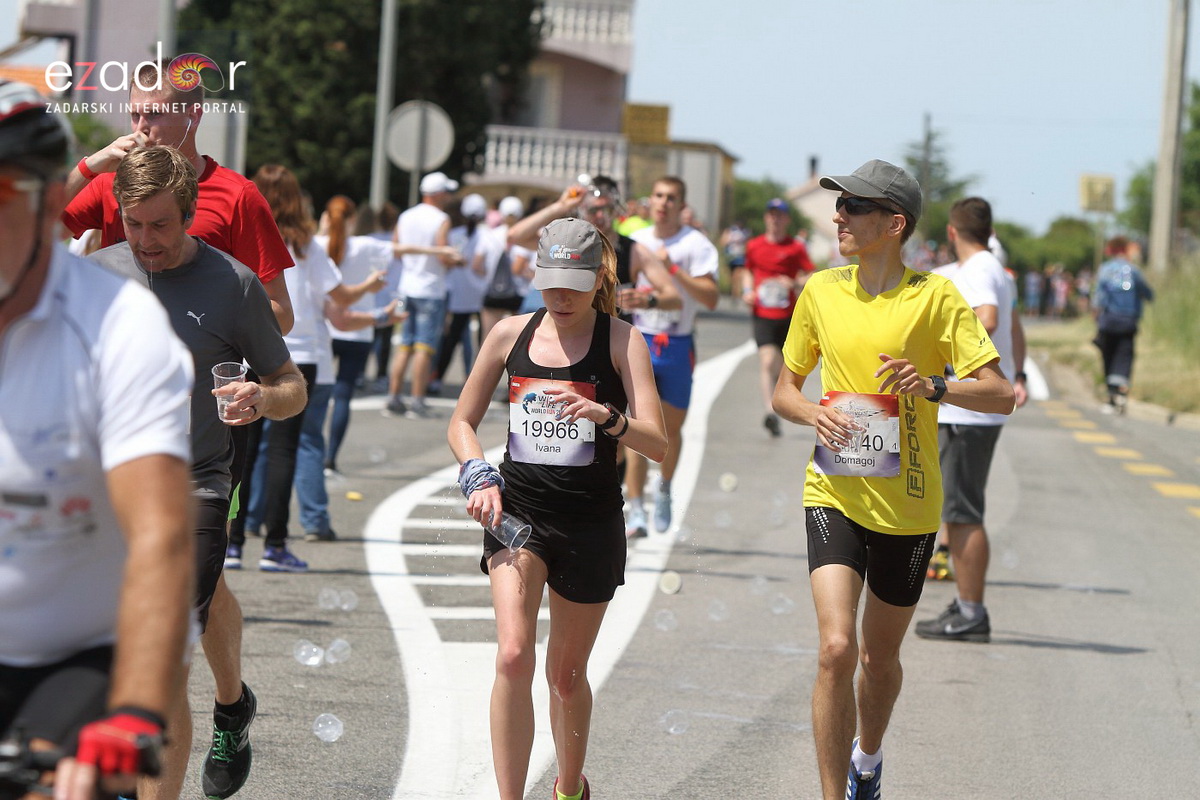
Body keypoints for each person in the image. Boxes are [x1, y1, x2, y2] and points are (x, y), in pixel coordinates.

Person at [770, 159, 1013, 800]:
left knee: (878, 660)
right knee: (834, 648)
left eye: (853, 207)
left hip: (907, 504)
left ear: (893, 223)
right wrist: (814, 413)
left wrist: (934, 384)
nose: (838, 217)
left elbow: (998, 392)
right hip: (834, 492)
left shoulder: (934, 299)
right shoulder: (821, 291)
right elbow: (783, 392)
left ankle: (868, 762)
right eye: (840, 206)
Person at [90, 145, 309, 800]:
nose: (146, 240)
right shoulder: (96, 277)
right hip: (106, 489)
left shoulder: (234, 284)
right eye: (133, 224)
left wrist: (262, 399)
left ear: (188, 215)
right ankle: (233, 707)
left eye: (161, 225)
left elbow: (290, 385)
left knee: (162, 663)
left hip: (195, 486)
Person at [0, 81, 194, 800]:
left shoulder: (120, 326)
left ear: (51, 206)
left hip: (80, 654)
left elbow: (161, 536)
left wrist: (135, 712)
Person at [448, 218, 667, 800]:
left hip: (590, 521)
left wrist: (608, 419)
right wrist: (476, 474)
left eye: (573, 282)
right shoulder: (508, 334)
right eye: (550, 282)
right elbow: (461, 421)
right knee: (514, 655)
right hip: (517, 514)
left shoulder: (622, 341)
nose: (561, 296)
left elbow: (659, 442)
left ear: (599, 278)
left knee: (566, 678)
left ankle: (570, 788)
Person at [237, 165, 400, 562]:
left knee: (243, 451)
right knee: (284, 451)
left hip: (248, 349)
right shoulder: (308, 245)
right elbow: (340, 298)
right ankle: (275, 545)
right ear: (297, 198)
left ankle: (234, 544)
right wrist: (372, 289)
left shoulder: (241, 234)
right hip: (301, 353)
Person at [61, 58, 293, 333]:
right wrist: (90, 166)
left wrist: (203, 315)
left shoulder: (238, 195)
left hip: (199, 371)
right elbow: (34, 228)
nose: (140, 129)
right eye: (135, 115)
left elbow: (282, 312)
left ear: (193, 116)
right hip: (119, 362)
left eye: (155, 114)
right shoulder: (108, 182)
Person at [914, 197, 1028, 642]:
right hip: (969, 410)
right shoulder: (992, 267)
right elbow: (1013, 327)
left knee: (962, 513)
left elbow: (989, 317)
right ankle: (964, 605)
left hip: (967, 411)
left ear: (952, 231)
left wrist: (948, 353)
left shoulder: (978, 268)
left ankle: (972, 613)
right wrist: (1017, 371)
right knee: (959, 510)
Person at [625, 176, 720, 535]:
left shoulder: (695, 244)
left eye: (672, 198)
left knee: (671, 431)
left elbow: (710, 298)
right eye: (659, 195)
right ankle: (635, 509)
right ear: (650, 200)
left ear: (682, 206)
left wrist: (673, 268)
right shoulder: (637, 241)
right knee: (636, 427)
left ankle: (663, 489)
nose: (664, 203)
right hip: (639, 340)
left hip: (678, 344)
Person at [315, 196, 395, 476]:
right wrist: (439, 251)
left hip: (326, 327)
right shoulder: (367, 244)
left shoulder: (317, 245)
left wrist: (324, 231)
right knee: (343, 395)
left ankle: (310, 452)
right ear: (352, 219)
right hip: (358, 329)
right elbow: (401, 248)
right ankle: (330, 457)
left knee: (315, 394)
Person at [732, 197, 815, 438]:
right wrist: (748, 291)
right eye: (771, 214)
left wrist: (794, 281)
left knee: (781, 364)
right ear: (766, 218)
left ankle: (780, 400)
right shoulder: (755, 245)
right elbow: (748, 271)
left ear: (787, 219)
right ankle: (770, 412)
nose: (775, 219)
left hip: (789, 314)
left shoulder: (795, 247)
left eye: (780, 215)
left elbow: (811, 274)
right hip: (763, 313)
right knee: (767, 360)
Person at [386, 171, 465, 418]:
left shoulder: (406, 215)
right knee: (424, 347)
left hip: (405, 287)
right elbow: (443, 253)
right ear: (439, 194)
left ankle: (394, 396)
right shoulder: (441, 218)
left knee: (404, 345)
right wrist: (454, 259)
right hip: (430, 289)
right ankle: (417, 400)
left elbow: (396, 250)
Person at [431, 193, 491, 393]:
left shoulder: (454, 234)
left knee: (451, 340)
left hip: (458, 295)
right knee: (483, 345)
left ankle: (437, 378)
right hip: (483, 295)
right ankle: (478, 385)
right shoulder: (488, 234)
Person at [1092, 236, 1153, 413]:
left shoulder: (1105, 269)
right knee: (1125, 355)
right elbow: (1147, 293)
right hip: (1128, 320)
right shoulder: (1134, 271)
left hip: (1109, 319)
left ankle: (1111, 395)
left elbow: (1099, 297)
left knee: (1108, 355)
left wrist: (1096, 315)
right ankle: (1122, 392)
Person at [479, 196, 530, 341]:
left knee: (488, 337)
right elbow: (517, 269)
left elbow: (477, 264)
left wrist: (489, 274)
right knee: (516, 339)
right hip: (517, 293)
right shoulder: (524, 237)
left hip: (492, 292)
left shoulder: (490, 235)